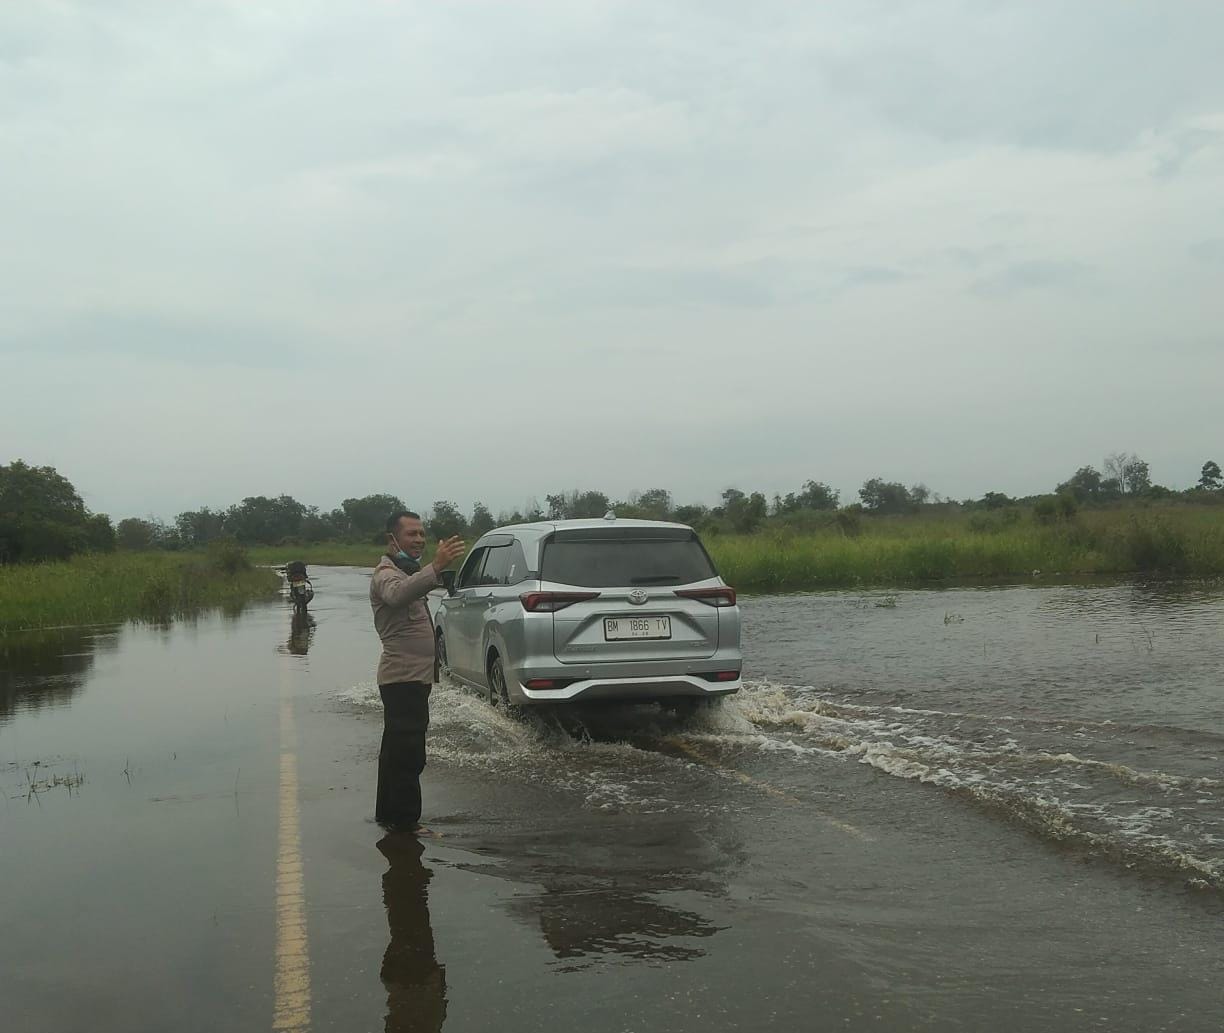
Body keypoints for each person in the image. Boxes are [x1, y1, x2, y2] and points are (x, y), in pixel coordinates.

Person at [369, 510, 465, 829]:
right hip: (401, 680)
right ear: (392, 539)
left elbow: (414, 586)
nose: (419, 539)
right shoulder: (386, 574)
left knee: (398, 755)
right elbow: (397, 595)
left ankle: (390, 818)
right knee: (407, 757)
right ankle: (406, 825)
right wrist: (435, 566)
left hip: (414, 681)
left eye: (422, 534)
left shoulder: (408, 574)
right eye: (412, 534)